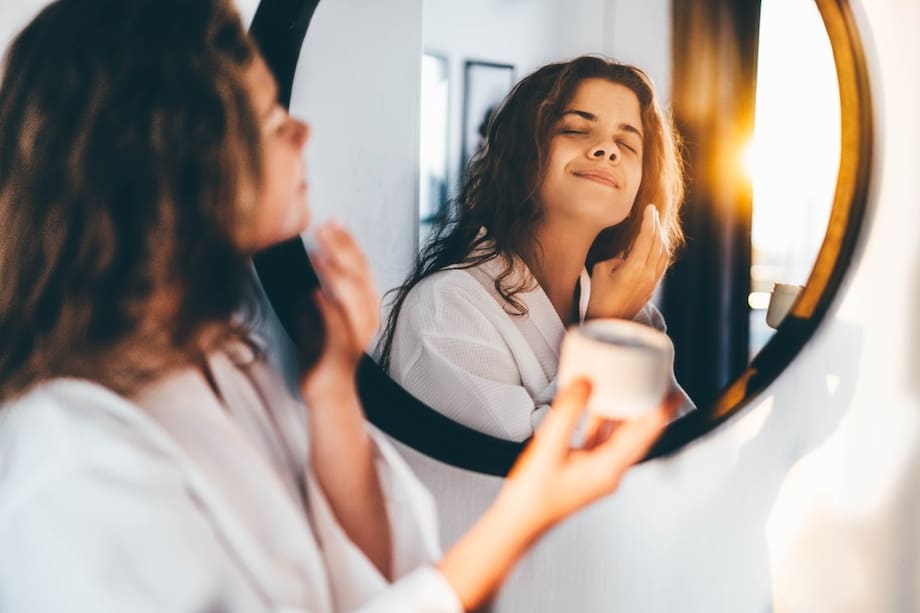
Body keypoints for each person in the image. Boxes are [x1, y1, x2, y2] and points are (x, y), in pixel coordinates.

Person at [0, 2, 680, 612]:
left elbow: (374, 577)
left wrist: (332, 395)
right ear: (179, 157)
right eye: (272, 121)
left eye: (629, 141)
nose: (302, 133)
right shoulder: (68, 467)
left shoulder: (231, 366)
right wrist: (522, 513)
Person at [379, 55, 693, 442]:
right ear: (523, 152)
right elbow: (523, 471)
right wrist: (605, 331)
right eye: (576, 129)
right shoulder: (445, 308)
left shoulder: (636, 316)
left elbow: (683, 448)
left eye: (627, 144)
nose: (607, 150)